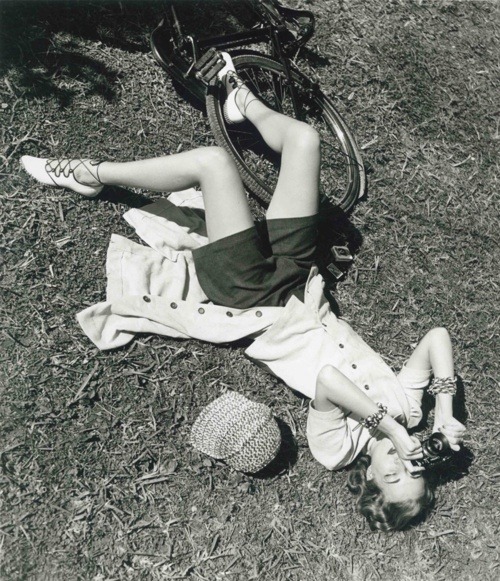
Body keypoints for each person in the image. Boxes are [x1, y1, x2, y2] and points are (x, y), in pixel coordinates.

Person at [20, 53, 466, 531]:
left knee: (212, 165)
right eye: (416, 471)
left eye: (394, 477)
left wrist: (391, 430)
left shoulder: (336, 451)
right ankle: (241, 101)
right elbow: (437, 336)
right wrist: (442, 411)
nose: (402, 464)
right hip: (300, 282)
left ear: (372, 480)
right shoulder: (408, 405)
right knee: (304, 139)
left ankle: (90, 174)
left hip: (253, 299)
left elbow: (331, 382)